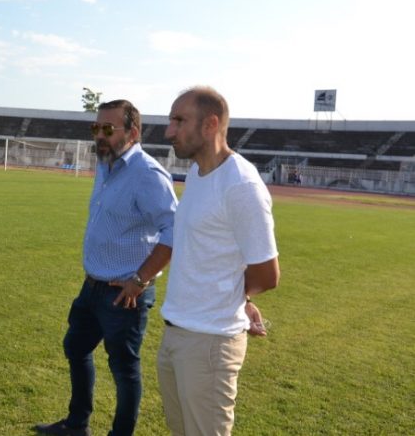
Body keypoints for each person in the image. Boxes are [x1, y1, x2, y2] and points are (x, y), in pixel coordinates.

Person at [36, 100, 178, 436]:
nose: (99, 135)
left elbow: (174, 230)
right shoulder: (106, 164)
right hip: (93, 285)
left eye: (108, 129)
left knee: (124, 369)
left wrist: (140, 279)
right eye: (95, 128)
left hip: (124, 293)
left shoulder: (147, 174)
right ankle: (77, 424)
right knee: (76, 347)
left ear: (133, 132)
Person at [158, 86, 280, 436]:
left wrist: (236, 299)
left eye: (179, 121)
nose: (169, 131)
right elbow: (212, 254)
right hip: (177, 332)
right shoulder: (198, 174)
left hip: (210, 343)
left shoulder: (240, 185)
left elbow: (267, 274)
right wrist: (243, 299)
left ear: (210, 124)